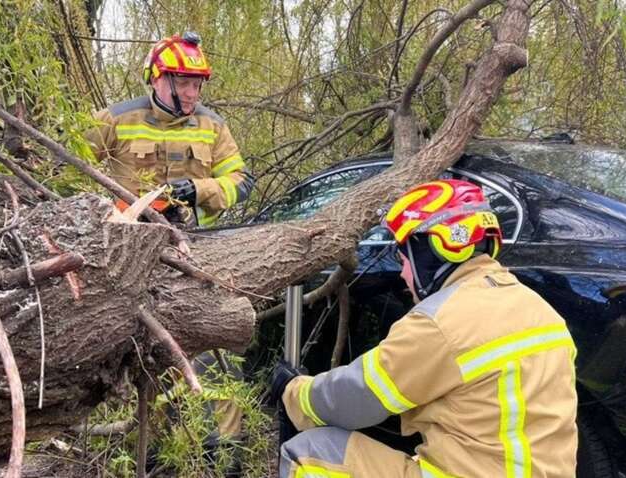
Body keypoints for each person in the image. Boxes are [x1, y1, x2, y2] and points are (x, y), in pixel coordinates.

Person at [271, 179, 579, 477]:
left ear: (435, 252)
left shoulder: (441, 322)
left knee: (308, 452)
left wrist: (294, 392)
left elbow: (360, 395)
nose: (404, 273)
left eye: (406, 258)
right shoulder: (542, 312)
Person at [86, 31, 253, 227]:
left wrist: (198, 189)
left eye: (197, 85)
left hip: (200, 238)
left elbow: (242, 182)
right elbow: (66, 166)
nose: (191, 94)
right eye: (182, 83)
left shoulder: (212, 126)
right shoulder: (116, 119)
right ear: (156, 79)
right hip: (130, 236)